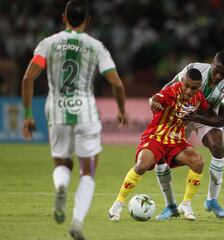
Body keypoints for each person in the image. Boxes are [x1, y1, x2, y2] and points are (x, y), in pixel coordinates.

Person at [21, 0, 128, 239]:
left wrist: (28, 115)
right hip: (85, 113)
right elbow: (117, 84)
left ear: (63, 17)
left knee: (61, 163)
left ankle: (61, 187)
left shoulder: (48, 43)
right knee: (88, 171)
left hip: (56, 111)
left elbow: (28, 79)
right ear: (88, 20)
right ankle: (77, 222)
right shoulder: (95, 46)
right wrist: (121, 110)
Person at [108, 68, 211, 221]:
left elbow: (208, 112)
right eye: (187, 86)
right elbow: (154, 99)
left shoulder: (199, 98)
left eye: (194, 88)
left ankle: (186, 204)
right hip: (156, 137)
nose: (189, 90)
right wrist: (154, 103)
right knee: (142, 165)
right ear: (182, 82)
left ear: (199, 87)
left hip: (176, 141)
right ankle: (117, 204)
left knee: (198, 162)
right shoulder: (171, 91)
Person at [151, 50, 224, 220]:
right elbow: (168, 88)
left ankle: (212, 200)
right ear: (212, 63)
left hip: (204, 117)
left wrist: (197, 117)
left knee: (218, 146)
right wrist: (158, 104)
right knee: (160, 155)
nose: (219, 75)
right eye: (217, 70)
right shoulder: (194, 69)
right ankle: (170, 206)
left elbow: (221, 119)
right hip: (179, 114)